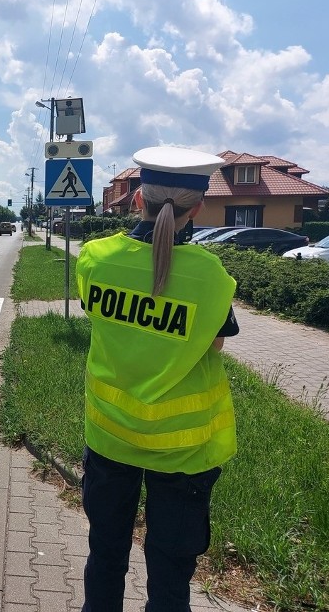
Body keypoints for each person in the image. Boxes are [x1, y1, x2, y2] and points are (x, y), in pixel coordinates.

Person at [75, 146, 240, 612]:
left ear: (135, 198)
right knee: (170, 573)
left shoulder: (95, 258)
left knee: (105, 555)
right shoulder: (210, 276)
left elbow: (98, 316)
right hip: (183, 452)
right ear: (199, 208)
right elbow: (216, 343)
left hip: (110, 438)